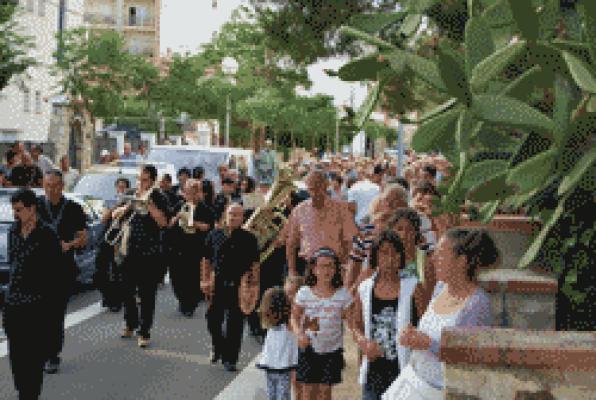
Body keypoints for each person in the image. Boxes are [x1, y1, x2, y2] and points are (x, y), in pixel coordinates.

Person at [392, 228, 498, 398]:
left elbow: (470, 357)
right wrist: (414, 336)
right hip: (413, 383)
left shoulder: (477, 304)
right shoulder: (440, 288)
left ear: (461, 261)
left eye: (441, 254)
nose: (433, 259)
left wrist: (428, 344)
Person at [4, 189, 63, 400]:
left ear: (32, 209)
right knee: (17, 362)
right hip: (14, 307)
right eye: (14, 210)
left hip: (38, 309)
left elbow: (55, 276)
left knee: (33, 364)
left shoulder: (47, 234)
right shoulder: (13, 232)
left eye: (19, 210)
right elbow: (13, 265)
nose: (15, 214)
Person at [351, 231, 420, 400]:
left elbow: (426, 323)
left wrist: (414, 334)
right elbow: (356, 325)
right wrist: (363, 343)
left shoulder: (414, 287)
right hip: (374, 374)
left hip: (405, 371)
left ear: (401, 256)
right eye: (384, 252)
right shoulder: (365, 288)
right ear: (375, 256)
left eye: (395, 252)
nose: (390, 258)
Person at [37, 170, 88, 374]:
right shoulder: (36, 206)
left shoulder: (74, 208)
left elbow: (83, 238)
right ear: (43, 185)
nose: (52, 190)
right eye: (48, 185)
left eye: (56, 185)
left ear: (62, 186)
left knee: (55, 315)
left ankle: (52, 356)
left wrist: (70, 244)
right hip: (38, 269)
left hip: (62, 270)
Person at [114, 165, 169, 348]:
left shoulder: (159, 196)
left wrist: (148, 204)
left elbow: (163, 222)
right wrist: (125, 207)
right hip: (128, 249)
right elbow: (116, 214)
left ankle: (144, 331)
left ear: (152, 180)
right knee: (126, 290)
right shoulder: (131, 193)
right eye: (139, 179)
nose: (141, 182)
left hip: (149, 252)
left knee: (147, 294)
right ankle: (130, 322)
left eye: (144, 179)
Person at [202, 203, 259, 371]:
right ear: (225, 215)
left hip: (239, 284)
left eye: (237, 215)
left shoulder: (249, 238)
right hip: (217, 283)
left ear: (242, 218)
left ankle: (230, 359)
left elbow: (255, 264)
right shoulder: (214, 235)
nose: (233, 217)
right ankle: (218, 346)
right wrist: (204, 280)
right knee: (212, 319)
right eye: (230, 214)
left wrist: (254, 287)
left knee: (235, 323)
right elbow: (206, 259)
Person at [291, 248, 353, 400]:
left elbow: (351, 321)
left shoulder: (343, 294)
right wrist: (299, 333)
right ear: (313, 269)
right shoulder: (304, 293)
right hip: (309, 349)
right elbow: (294, 316)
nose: (327, 270)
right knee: (308, 392)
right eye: (322, 266)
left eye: (331, 266)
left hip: (332, 351)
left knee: (325, 393)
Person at [286, 170, 358, 277]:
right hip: (308, 267)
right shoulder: (299, 210)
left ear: (326, 186)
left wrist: (346, 267)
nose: (314, 194)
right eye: (311, 190)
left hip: (335, 267)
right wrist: (292, 271)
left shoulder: (341, 209)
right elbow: (291, 243)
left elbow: (350, 242)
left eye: (318, 189)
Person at [169, 179, 215, 316]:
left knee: (192, 276)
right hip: (178, 246)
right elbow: (169, 224)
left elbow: (208, 226)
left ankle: (189, 304)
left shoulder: (205, 208)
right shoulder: (180, 205)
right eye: (187, 192)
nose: (189, 196)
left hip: (195, 247)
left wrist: (192, 223)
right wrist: (177, 217)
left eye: (192, 193)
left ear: (198, 193)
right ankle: (182, 299)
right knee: (176, 276)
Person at [95, 177, 131, 312]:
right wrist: (116, 205)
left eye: (124, 187)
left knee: (117, 271)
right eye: (119, 187)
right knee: (100, 269)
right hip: (108, 236)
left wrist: (126, 205)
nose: (121, 189)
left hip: (123, 237)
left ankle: (116, 300)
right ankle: (107, 296)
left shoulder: (131, 203)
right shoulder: (110, 202)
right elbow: (104, 219)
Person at [256, 287, 298, 400]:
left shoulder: (288, 325)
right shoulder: (272, 327)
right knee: (274, 395)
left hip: (282, 367)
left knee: (281, 395)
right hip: (272, 366)